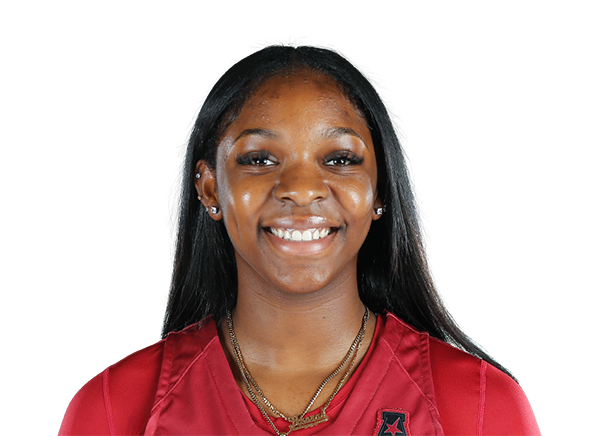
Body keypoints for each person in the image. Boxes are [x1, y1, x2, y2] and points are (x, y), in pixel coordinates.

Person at [59, 34, 540, 436]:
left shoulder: (480, 407)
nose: (302, 189)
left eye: (340, 159)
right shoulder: (115, 409)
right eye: (259, 159)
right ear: (210, 188)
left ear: (379, 190)